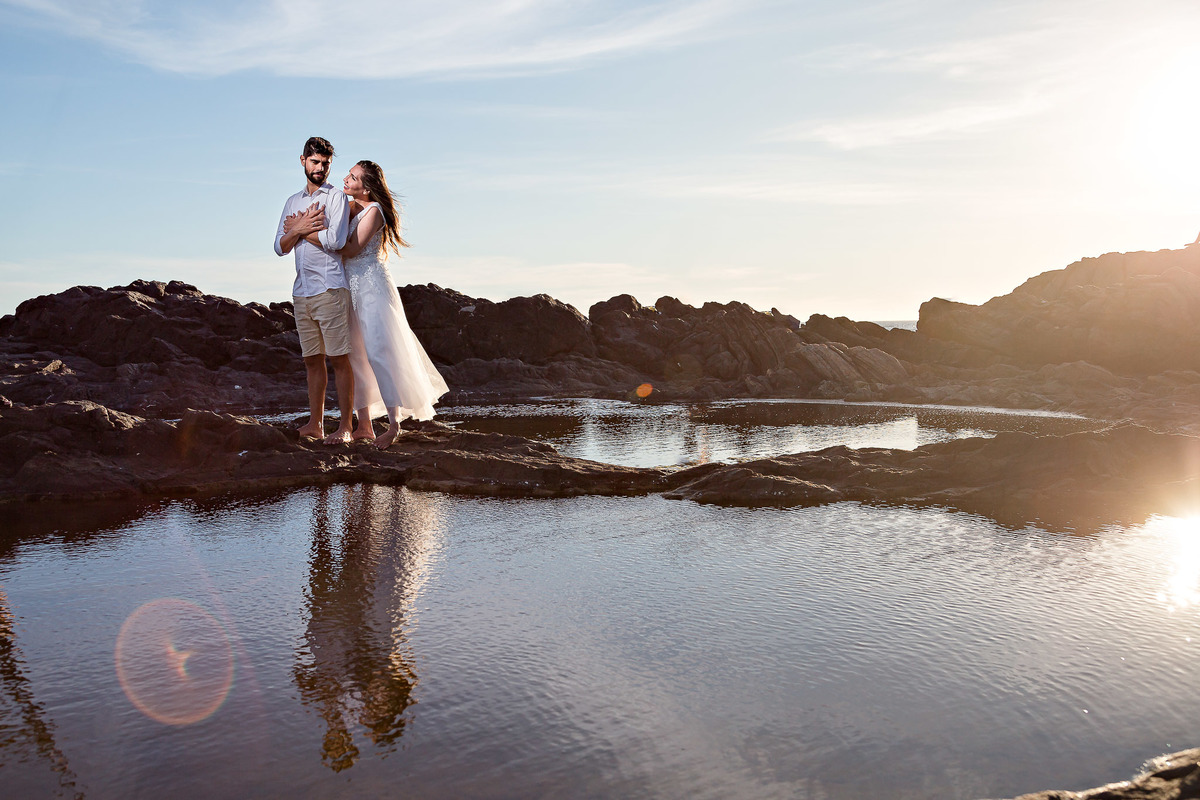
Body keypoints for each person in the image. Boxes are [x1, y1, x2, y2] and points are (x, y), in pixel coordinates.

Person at [287, 160, 448, 449]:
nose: (345, 179)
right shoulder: (348, 208)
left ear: (367, 186)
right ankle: (365, 426)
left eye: (353, 177)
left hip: (372, 287)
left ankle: (394, 426)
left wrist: (302, 233)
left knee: (379, 352)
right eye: (348, 174)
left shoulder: (375, 212)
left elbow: (349, 248)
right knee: (355, 355)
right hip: (349, 287)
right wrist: (300, 224)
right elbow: (328, 229)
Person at [274, 136, 357, 445]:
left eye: (325, 163)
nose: (320, 168)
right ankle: (316, 424)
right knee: (312, 360)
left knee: (339, 359)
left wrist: (298, 229)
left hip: (331, 289)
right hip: (302, 292)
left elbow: (336, 242)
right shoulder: (292, 202)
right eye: (315, 162)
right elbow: (279, 246)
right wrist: (300, 228)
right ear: (303, 161)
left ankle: (346, 426)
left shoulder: (335, 198)